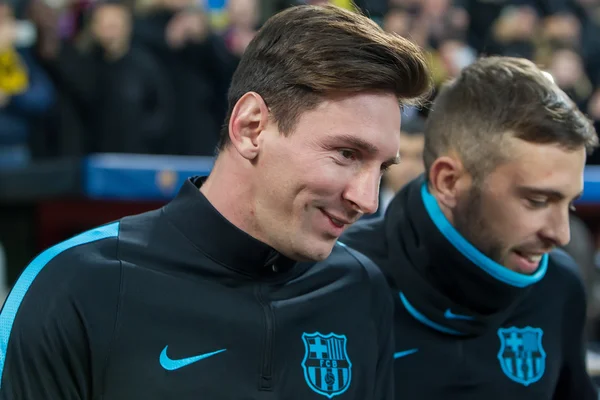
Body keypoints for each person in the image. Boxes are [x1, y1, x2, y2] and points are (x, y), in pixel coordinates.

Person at [0, 4, 431, 399]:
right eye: (346, 154)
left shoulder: (360, 290)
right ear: (251, 128)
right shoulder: (74, 287)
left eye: (382, 169)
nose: (368, 200)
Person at [341, 56, 599, 399]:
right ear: (449, 182)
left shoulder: (560, 285)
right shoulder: (340, 280)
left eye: (568, 203)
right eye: (537, 201)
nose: (561, 234)